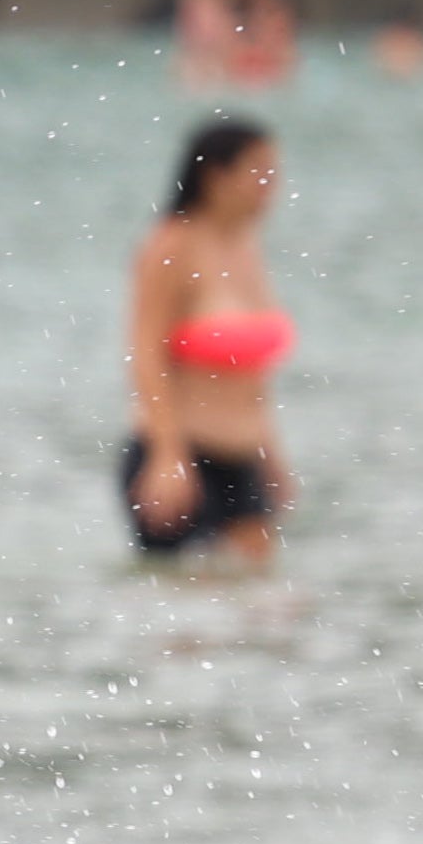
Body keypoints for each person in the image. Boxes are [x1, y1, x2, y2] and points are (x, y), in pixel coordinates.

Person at [126, 119, 297, 566]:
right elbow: (145, 354)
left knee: (260, 610)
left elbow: (252, 372)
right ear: (215, 176)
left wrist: (270, 453)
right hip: (182, 457)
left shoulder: (245, 246)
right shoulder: (172, 245)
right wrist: (168, 457)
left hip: (243, 463)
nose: (271, 186)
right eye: (259, 172)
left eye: (275, 174)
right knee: (183, 613)